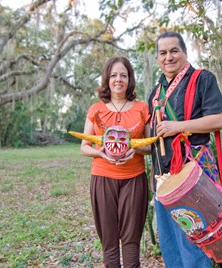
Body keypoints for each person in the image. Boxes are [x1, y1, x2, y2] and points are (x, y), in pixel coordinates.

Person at [148, 32, 222, 268]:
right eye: (162, 53)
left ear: (185, 53)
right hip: (163, 179)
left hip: (192, 178)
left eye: (174, 50)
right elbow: (152, 137)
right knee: (170, 243)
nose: (168, 57)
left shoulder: (202, 79)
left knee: (194, 241)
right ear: (157, 58)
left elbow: (219, 120)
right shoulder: (156, 93)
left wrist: (179, 127)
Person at [80, 56, 150, 268]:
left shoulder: (142, 108)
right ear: (107, 79)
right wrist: (101, 153)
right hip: (102, 178)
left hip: (134, 179)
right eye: (113, 75)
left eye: (123, 75)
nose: (118, 79)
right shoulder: (96, 109)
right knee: (109, 241)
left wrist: (134, 149)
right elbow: (84, 147)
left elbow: (150, 146)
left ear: (130, 79)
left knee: (131, 240)